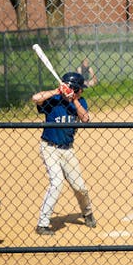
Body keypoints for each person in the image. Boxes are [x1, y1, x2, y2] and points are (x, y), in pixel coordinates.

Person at [32, 72, 96, 236]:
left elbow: (86, 119)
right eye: (80, 89)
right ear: (74, 88)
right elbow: (35, 98)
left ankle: (87, 213)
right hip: (49, 148)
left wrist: (73, 99)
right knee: (57, 182)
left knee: (79, 187)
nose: (82, 92)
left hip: (68, 150)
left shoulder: (80, 101)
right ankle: (43, 224)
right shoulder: (53, 101)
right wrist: (57, 91)